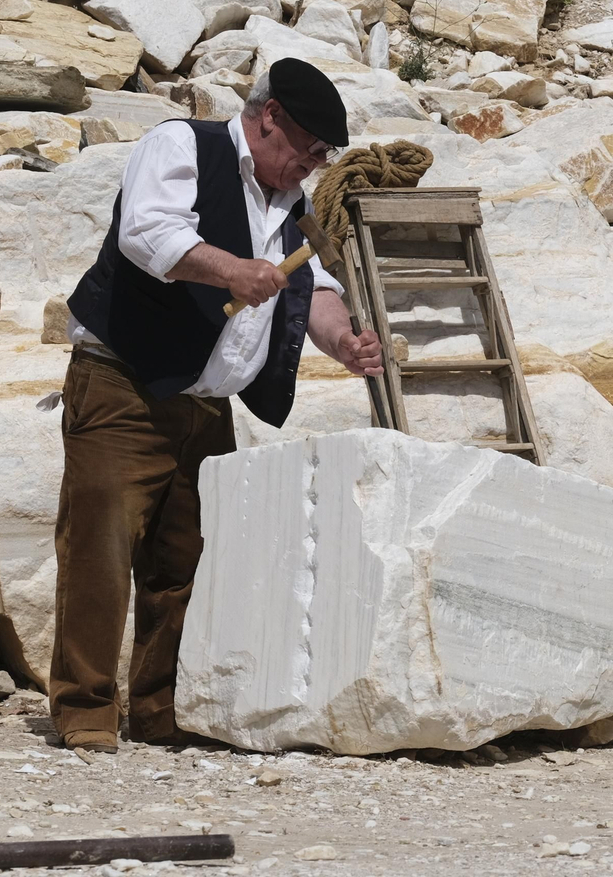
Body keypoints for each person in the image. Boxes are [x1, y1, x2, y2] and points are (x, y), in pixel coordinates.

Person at [51, 58, 383, 754]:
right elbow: (146, 233)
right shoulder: (182, 146)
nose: (313, 166)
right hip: (124, 386)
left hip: (205, 407)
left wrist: (345, 341)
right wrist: (231, 269)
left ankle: (159, 707)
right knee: (100, 549)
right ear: (269, 120)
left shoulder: (289, 202)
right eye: (310, 149)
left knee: (187, 561)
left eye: (325, 157)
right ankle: (84, 708)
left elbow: (313, 285)